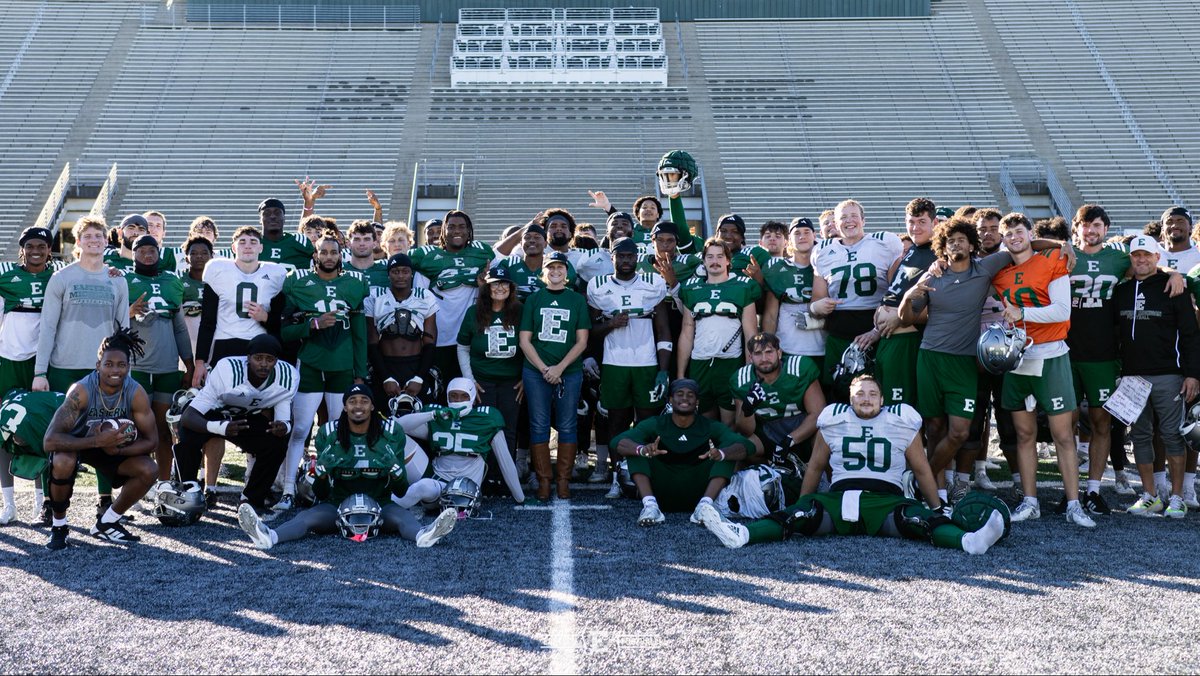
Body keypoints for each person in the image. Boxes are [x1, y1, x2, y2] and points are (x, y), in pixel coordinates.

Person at [696, 375, 1006, 556]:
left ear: (882, 399)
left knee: (916, 518)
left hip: (887, 499)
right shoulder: (833, 419)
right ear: (850, 398)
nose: (866, 398)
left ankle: (969, 542)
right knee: (799, 515)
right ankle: (741, 535)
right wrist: (805, 499)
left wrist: (937, 506)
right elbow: (816, 467)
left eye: (872, 394)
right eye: (860, 394)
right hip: (838, 498)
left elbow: (923, 470)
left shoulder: (900, 420)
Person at [237, 383, 458, 550]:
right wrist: (321, 473)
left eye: (364, 400)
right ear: (345, 407)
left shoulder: (390, 433)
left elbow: (400, 490)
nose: (358, 406)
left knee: (404, 519)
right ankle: (269, 537)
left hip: (380, 502)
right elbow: (320, 493)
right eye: (353, 401)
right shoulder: (329, 433)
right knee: (307, 518)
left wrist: (395, 469)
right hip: (337, 503)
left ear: (372, 405)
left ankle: (424, 536)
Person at [898, 217, 1016, 504]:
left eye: (962, 239)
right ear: (943, 247)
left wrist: (1063, 246)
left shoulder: (985, 268)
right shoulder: (932, 276)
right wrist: (907, 296)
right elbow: (906, 318)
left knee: (959, 432)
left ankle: (918, 478)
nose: (956, 243)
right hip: (931, 358)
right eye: (950, 240)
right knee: (934, 428)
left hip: (964, 362)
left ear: (972, 244)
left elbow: (1020, 245)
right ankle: (933, 491)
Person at [990, 213, 1094, 527]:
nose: (1013, 237)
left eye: (1018, 232)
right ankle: (1030, 501)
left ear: (1030, 233)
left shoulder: (1052, 260)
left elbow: (1062, 312)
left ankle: (1074, 503)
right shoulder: (1000, 270)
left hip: (1051, 354)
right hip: (1018, 356)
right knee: (1023, 434)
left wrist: (1023, 311)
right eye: (1007, 233)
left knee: (1063, 434)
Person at [33, 216, 131, 517]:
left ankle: (104, 499)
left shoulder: (117, 278)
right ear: (78, 242)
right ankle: (53, 502)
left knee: (106, 430)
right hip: (65, 366)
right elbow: (47, 326)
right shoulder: (63, 278)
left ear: (106, 241)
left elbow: (123, 329)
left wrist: (127, 371)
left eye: (98, 236)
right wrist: (40, 372)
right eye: (87, 236)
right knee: (58, 435)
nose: (93, 241)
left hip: (103, 370)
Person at [42, 328, 158, 550]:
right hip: (77, 444)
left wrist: (118, 450)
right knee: (62, 461)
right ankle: (59, 526)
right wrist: (97, 442)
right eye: (108, 364)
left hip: (111, 447)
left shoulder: (135, 393)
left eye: (121, 365)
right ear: (98, 366)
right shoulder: (81, 391)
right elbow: (50, 440)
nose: (115, 370)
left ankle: (107, 522)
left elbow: (152, 441)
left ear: (128, 367)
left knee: (149, 469)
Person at [278, 234, 369, 512]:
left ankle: (340, 487)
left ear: (341, 255)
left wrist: (360, 373)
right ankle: (288, 489)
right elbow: (284, 331)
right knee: (301, 429)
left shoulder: (355, 285)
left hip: (342, 367)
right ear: (315, 255)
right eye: (324, 252)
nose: (329, 256)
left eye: (334, 252)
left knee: (338, 431)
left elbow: (360, 334)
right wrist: (313, 325)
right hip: (311, 364)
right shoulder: (298, 284)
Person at [1114, 235, 1200, 518]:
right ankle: (1150, 495)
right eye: (1136, 255)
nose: (1141, 260)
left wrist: (1192, 375)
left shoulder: (1172, 288)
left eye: (1147, 255)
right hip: (1131, 377)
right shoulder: (1121, 291)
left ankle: (1176, 497)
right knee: (1140, 436)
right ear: (1131, 258)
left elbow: (1189, 336)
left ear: (1157, 258)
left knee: (1173, 435)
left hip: (1168, 375)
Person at [173, 334, 297, 516]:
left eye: (269, 359)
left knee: (276, 442)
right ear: (248, 358)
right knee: (188, 432)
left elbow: (284, 418)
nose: (263, 364)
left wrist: (283, 427)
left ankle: (252, 500)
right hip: (213, 415)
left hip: (245, 419)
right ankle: (188, 491)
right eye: (258, 358)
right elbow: (189, 416)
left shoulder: (288, 377)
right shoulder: (227, 370)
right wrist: (220, 427)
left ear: (276, 361)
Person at [585, 237, 671, 484]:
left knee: (646, 422)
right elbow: (590, 329)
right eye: (620, 256)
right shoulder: (598, 286)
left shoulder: (653, 283)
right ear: (611, 257)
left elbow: (664, 331)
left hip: (646, 361)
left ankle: (645, 473)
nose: (625, 260)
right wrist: (610, 323)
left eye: (629, 256)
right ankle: (616, 475)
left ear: (637, 258)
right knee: (617, 421)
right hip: (614, 363)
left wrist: (663, 370)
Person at [611, 379, 751, 526]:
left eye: (690, 395)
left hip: (699, 492)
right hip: (661, 493)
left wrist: (721, 453)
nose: (685, 398)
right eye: (680, 394)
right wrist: (642, 449)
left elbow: (746, 445)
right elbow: (617, 442)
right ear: (671, 400)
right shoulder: (657, 423)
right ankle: (650, 506)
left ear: (697, 401)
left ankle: (704, 507)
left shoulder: (709, 426)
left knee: (728, 453)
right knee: (636, 452)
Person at [808, 200, 904, 393]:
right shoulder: (822, 250)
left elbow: (897, 294)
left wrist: (877, 330)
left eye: (854, 216)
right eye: (843, 217)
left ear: (863, 220)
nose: (849, 221)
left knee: (879, 391)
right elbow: (816, 298)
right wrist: (817, 307)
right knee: (839, 392)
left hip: (877, 330)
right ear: (835, 223)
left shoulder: (884, 242)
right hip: (839, 332)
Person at [518, 251, 590, 500]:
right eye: (551, 267)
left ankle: (563, 480)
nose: (556, 272)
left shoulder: (577, 300)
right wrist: (543, 369)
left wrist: (559, 368)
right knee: (538, 424)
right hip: (536, 371)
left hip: (567, 371)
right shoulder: (534, 299)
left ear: (567, 273)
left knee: (567, 423)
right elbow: (525, 340)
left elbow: (582, 342)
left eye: (560, 268)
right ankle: (544, 480)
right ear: (544, 271)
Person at [124, 235, 194, 489]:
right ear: (132, 254)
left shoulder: (171, 281)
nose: (147, 254)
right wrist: (127, 312)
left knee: (164, 430)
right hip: (137, 366)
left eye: (151, 249)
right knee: (137, 429)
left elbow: (180, 327)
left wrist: (189, 363)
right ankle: (140, 482)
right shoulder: (122, 280)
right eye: (141, 250)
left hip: (166, 366)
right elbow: (110, 320)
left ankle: (164, 481)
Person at [394, 378, 526, 508]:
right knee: (396, 438)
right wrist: (433, 414)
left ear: (473, 398)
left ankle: (386, 506)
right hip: (435, 478)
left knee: (422, 487)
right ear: (447, 397)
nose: (458, 401)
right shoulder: (440, 416)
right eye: (453, 396)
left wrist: (519, 496)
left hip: (465, 486)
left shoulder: (487, 419)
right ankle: (386, 502)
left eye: (464, 396)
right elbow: (396, 427)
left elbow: (506, 461)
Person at [676, 238, 761, 423]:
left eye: (720, 256)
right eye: (710, 256)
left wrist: (750, 370)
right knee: (702, 421)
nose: (715, 261)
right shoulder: (691, 288)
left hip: (730, 361)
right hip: (700, 361)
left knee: (730, 423)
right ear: (704, 261)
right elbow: (687, 332)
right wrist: (681, 373)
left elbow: (750, 332)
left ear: (728, 260)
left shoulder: (744, 286)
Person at [409, 210, 497, 385]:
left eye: (462, 226)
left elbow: (496, 292)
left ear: (469, 230)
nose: (457, 231)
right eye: (451, 227)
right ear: (443, 231)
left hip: (472, 335)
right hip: (440, 335)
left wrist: (484, 287)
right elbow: (419, 300)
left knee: (469, 386)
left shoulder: (482, 254)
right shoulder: (429, 257)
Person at [192, 226, 287, 388]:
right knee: (221, 397)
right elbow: (207, 321)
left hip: (259, 345)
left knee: (258, 398)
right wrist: (200, 362)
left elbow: (281, 324)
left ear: (261, 247)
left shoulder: (276, 273)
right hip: (224, 343)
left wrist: (266, 318)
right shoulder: (218, 269)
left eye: (253, 242)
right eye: (242, 242)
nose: (248, 246)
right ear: (233, 247)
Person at [457, 265, 524, 472]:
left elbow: (529, 345)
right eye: (495, 283)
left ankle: (506, 475)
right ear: (487, 287)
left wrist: (525, 376)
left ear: (511, 287)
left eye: (504, 283)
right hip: (482, 383)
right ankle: (484, 475)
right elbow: (462, 347)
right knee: (484, 428)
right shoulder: (473, 312)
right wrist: (470, 380)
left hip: (512, 381)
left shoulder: (520, 311)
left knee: (509, 429)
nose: (500, 287)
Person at [874, 198, 938, 406]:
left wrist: (900, 320)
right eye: (911, 222)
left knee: (900, 409)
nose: (915, 227)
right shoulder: (912, 249)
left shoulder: (938, 254)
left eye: (921, 222)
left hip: (906, 339)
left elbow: (938, 306)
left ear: (934, 223)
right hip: (888, 339)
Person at [730, 332, 824, 464]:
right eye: (758, 353)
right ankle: (772, 472)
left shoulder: (800, 368)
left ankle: (824, 480)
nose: (764, 358)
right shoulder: (741, 380)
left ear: (779, 353)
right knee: (742, 446)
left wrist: (789, 440)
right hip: (768, 432)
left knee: (824, 436)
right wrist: (747, 409)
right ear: (750, 357)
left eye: (769, 352)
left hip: (802, 427)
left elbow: (818, 414)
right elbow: (746, 431)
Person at [369, 253, 438, 406]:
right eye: (395, 271)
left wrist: (419, 377)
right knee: (384, 416)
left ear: (411, 273)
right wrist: (385, 377)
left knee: (420, 415)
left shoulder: (425, 296)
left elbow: (430, 341)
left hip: (416, 364)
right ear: (388, 274)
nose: (400, 276)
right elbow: (371, 342)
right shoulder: (375, 297)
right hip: (386, 364)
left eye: (405, 271)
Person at [761, 218, 826, 366]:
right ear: (789, 240)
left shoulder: (825, 266)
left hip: (822, 347)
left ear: (814, 236)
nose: (802, 236)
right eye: (797, 233)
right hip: (787, 347)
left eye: (806, 232)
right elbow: (771, 315)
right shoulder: (777, 268)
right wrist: (769, 347)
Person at [0, 389, 65, 525]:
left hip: (61, 406)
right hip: (56, 402)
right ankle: (34, 505)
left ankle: (45, 505)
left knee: (53, 451)